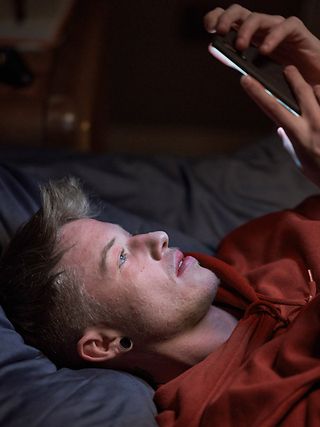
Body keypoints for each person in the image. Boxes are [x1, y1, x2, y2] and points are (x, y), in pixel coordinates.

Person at [0, 3, 320, 425]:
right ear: (104, 344)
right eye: (121, 257)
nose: (158, 236)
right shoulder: (239, 409)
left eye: (130, 235)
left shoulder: (252, 248)